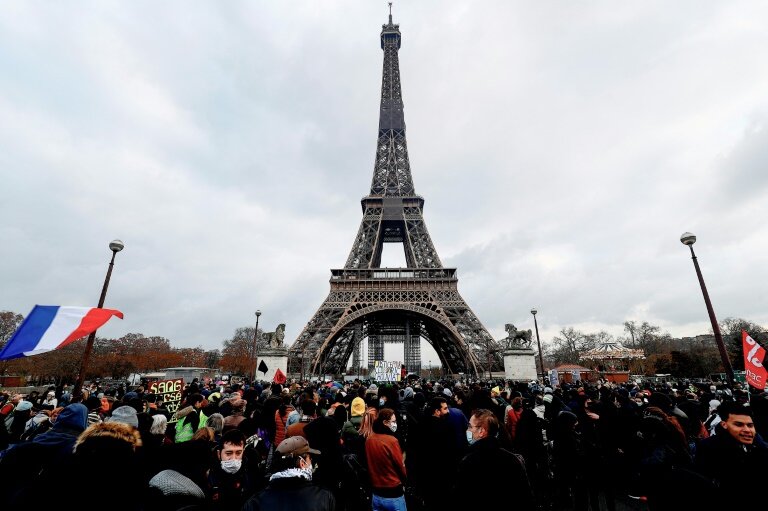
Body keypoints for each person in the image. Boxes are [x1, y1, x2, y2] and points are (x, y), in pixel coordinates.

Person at [454, 408, 534, 510]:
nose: (467, 430)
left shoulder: (468, 462)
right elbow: (526, 497)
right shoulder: (513, 459)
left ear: (481, 431)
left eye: (470, 426)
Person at [695, 401, 768, 505]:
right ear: (724, 424)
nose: (747, 430)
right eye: (738, 425)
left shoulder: (758, 446)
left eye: (750, 425)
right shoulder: (709, 448)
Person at [242, 435, 335, 511]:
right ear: (302, 463)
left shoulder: (255, 502)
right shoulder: (324, 497)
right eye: (310, 459)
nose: (312, 463)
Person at [366, 408, 407, 511]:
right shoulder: (392, 441)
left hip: (376, 492)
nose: (395, 424)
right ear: (385, 422)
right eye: (393, 421)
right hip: (393, 492)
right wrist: (404, 481)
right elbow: (400, 466)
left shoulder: (369, 440)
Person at [207, 429, 253, 510]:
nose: (233, 458)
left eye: (238, 453)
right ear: (219, 454)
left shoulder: (249, 474)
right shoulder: (209, 476)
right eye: (228, 453)